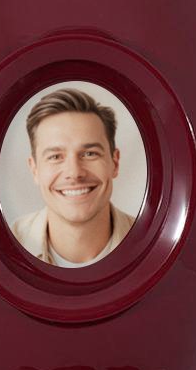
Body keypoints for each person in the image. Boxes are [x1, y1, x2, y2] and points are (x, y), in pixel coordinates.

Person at [11, 88, 135, 267]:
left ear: (114, 163)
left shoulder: (155, 243)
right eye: (55, 157)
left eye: (90, 154)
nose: (74, 173)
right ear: (34, 169)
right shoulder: (3, 247)